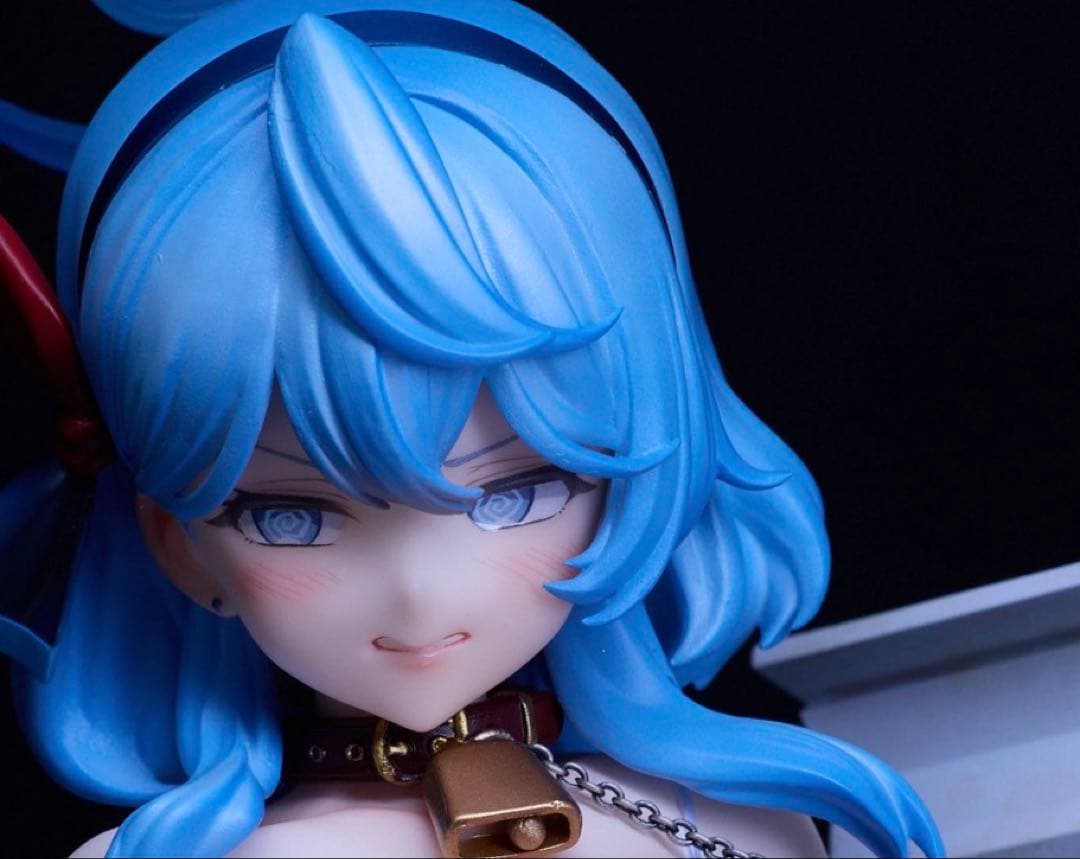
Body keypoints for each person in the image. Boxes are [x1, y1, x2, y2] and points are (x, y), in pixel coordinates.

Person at [0, 1, 943, 856]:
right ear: (179, 544)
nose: (418, 594)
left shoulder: (739, 823)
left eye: (516, 494)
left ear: (632, 477)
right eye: (292, 516)